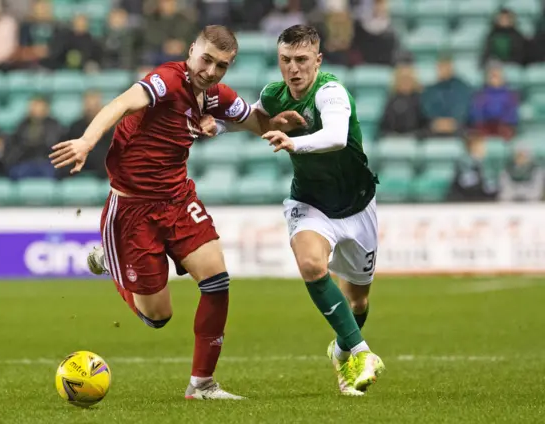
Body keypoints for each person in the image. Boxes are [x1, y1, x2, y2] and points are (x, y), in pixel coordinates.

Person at [50, 25, 303, 400]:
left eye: (221, 66)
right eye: (206, 60)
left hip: (179, 200)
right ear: (191, 52)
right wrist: (88, 140)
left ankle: (202, 384)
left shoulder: (214, 96)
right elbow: (122, 103)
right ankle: (110, 259)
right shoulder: (166, 80)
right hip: (133, 210)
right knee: (157, 317)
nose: (211, 71)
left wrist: (274, 123)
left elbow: (251, 119)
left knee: (217, 279)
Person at [200, 25, 385, 397]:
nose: (293, 68)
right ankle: (363, 353)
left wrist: (294, 143)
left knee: (359, 300)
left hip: (358, 204)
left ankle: (342, 349)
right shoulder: (275, 93)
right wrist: (216, 126)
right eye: (285, 60)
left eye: (302, 60)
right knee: (312, 265)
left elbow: (335, 136)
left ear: (318, 60)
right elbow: (255, 118)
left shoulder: (331, 92)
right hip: (310, 202)